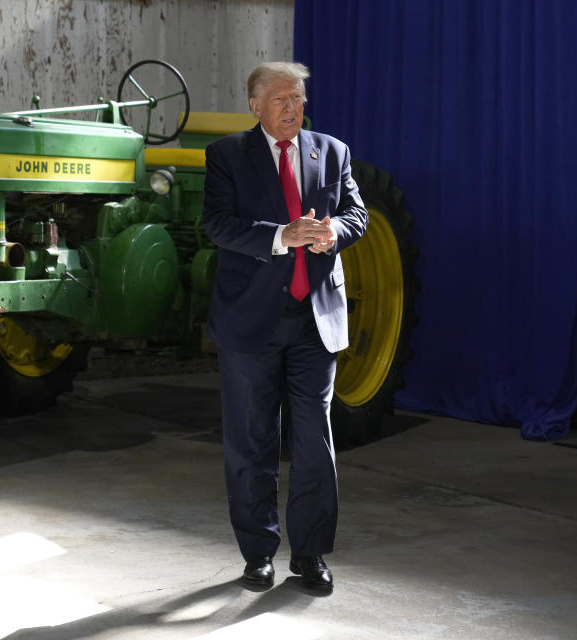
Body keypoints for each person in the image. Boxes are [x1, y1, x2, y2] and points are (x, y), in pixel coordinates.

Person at [202, 61, 368, 590]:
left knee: (315, 443)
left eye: (297, 98)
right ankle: (258, 553)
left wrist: (333, 233)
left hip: (315, 320)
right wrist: (282, 236)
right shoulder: (226, 155)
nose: (292, 108)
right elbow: (217, 224)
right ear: (254, 105)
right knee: (252, 443)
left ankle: (311, 555)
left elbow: (357, 213)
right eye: (279, 99)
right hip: (251, 321)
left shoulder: (332, 151)